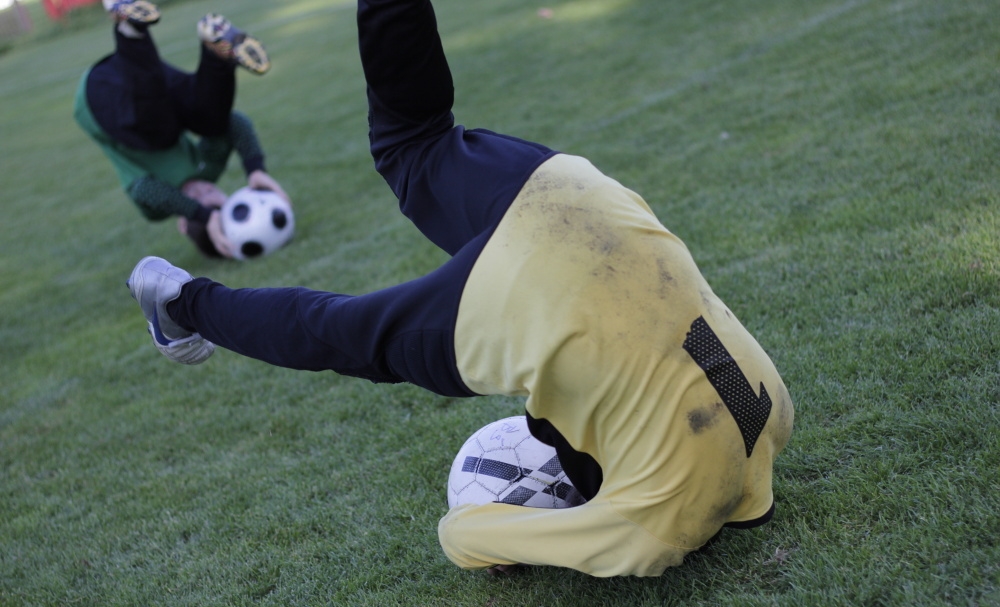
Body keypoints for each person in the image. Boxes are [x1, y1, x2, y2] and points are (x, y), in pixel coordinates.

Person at [126, 0, 794, 577]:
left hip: (586, 201)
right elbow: (464, 535)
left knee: (416, 140)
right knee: (340, 332)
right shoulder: (653, 534)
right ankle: (180, 301)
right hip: (534, 294)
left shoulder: (775, 411)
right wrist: (521, 537)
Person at [74, 0, 289, 258]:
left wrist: (201, 214)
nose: (205, 191)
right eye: (217, 199)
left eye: (202, 203)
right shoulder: (207, 169)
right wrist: (255, 169)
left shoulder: (158, 207)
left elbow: (146, 190)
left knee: (160, 134)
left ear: (183, 222)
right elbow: (236, 123)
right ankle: (216, 52)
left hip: (98, 102)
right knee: (212, 120)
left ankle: (130, 28)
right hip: (144, 77)